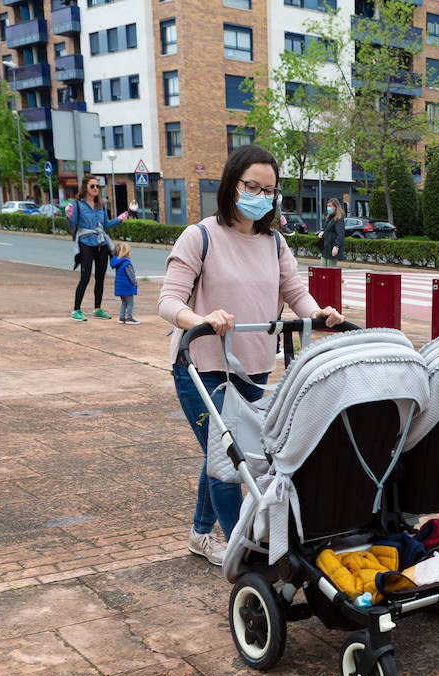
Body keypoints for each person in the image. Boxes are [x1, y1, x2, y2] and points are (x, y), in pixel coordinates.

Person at [158, 144, 344, 565]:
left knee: (225, 451)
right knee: (228, 457)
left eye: (269, 190)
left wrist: (318, 314)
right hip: (202, 366)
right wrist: (200, 317)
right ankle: (243, 552)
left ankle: (199, 534)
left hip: (255, 367)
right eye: (251, 186)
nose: (260, 196)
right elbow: (168, 301)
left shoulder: (274, 243)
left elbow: (295, 292)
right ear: (232, 184)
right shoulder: (200, 236)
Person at [67, 177, 128, 321]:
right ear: (85, 188)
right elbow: (72, 227)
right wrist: (68, 216)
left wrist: (119, 219)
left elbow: (105, 225)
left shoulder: (101, 204)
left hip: (101, 243)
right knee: (85, 276)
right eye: (92, 186)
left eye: (97, 186)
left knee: (100, 277)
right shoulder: (77, 205)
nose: (96, 188)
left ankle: (97, 309)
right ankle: (76, 310)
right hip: (85, 242)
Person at [110, 241, 140, 325]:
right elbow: (131, 275)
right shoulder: (127, 263)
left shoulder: (117, 262)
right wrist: (135, 283)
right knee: (130, 302)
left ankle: (122, 317)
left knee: (124, 302)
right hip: (127, 286)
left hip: (120, 287)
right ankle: (129, 318)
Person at [318, 197, 345, 268]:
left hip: (332, 247)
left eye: (330, 206)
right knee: (323, 268)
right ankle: (338, 279)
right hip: (326, 247)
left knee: (331, 270)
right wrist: (322, 233)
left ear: (335, 207)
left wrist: (336, 246)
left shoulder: (339, 219)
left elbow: (340, 234)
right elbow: (327, 230)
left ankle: (338, 279)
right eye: (328, 206)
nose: (328, 208)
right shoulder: (329, 218)